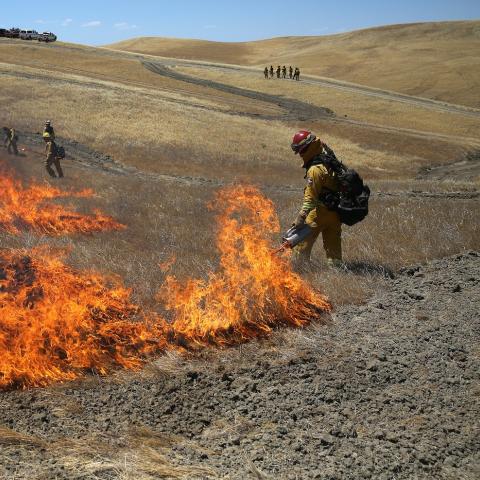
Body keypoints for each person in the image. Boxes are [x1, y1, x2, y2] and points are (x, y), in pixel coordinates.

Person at [290, 130, 342, 267]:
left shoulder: (315, 170)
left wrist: (301, 217)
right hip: (336, 213)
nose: (301, 154)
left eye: (302, 151)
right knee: (333, 248)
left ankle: (299, 270)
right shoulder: (330, 162)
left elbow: (310, 197)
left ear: (308, 148)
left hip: (318, 213)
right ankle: (336, 272)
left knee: (301, 246)